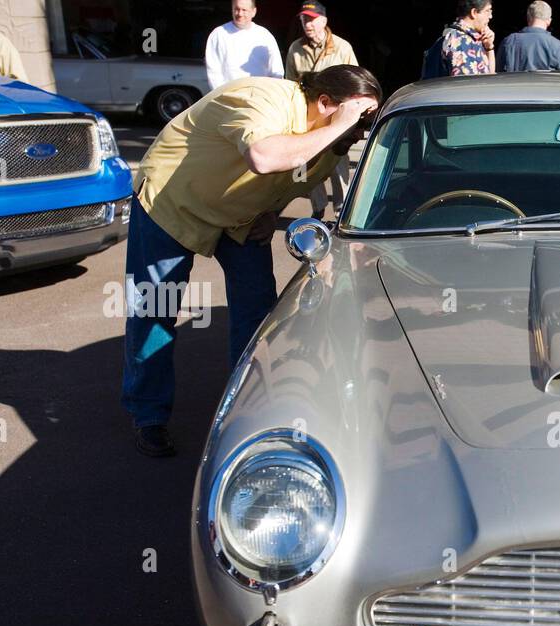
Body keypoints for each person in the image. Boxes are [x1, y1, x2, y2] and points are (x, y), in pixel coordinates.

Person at [121, 65, 381, 457]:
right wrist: (336, 127)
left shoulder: (329, 147)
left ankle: (246, 410)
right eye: (357, 116)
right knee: (156, 312)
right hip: (172, 203)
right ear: (325, 103)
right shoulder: (262, 100)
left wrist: (271, 212)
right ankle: (148, 415)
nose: (360, 129)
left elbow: (287, 180)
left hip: (238, 217)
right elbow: (262, 156)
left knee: (257, 312)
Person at [285, 2, 358, 222]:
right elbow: (289, 83)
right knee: (308, 165)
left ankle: (342, 212)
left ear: (324, 21)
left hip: (336, 117)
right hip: (309, 117)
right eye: (304, 19)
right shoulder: (295, 49)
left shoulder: (342, 47)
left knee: (338, 167)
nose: (308, 24)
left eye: (312, 19)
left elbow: (356, 82)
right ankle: (318, 208)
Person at [205, 0, 283, 89]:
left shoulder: (265, 35)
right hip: (228, 97)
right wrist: (221, 96)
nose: (240, 14)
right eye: (236, 9)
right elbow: (214, 72)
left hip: (259, 96)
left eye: (244, 10)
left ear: (254, 12)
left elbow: (276, 70)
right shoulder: (218, 34)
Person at [423, 1, 496, 77]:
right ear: (474, 12)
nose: (490, 16)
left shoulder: (470, 38)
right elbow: (466, 86)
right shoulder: (461, 42)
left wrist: (489, 47)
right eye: (487, 11)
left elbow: (489, 78)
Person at [501, 2, 560, 72]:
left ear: (528, 18)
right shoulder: (558, 46)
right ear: (549, 21)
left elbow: (497, 74)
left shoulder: (509, 41)